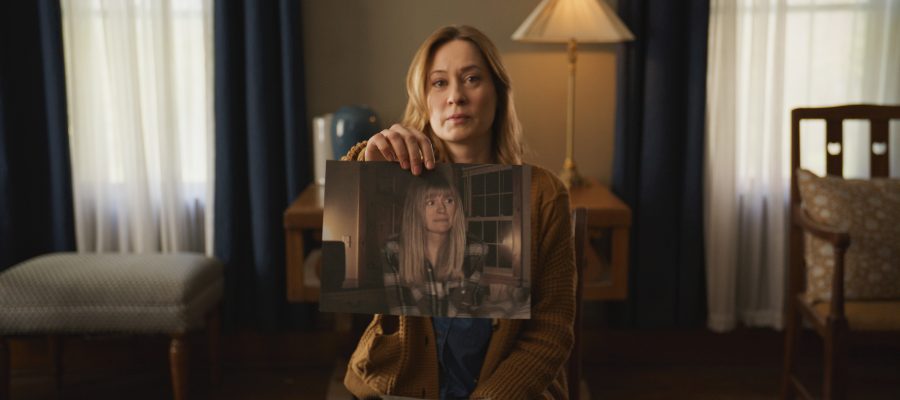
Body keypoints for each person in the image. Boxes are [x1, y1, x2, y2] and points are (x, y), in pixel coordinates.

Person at [342, 24, 576, 399]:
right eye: (439, 83)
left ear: (498, 92)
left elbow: (551, 332)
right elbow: (345, 235)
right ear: (423, 98)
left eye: (471, 79)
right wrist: (366, 159)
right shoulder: (396, 179)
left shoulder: (543, 194)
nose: (455, 96)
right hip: (397, 388)